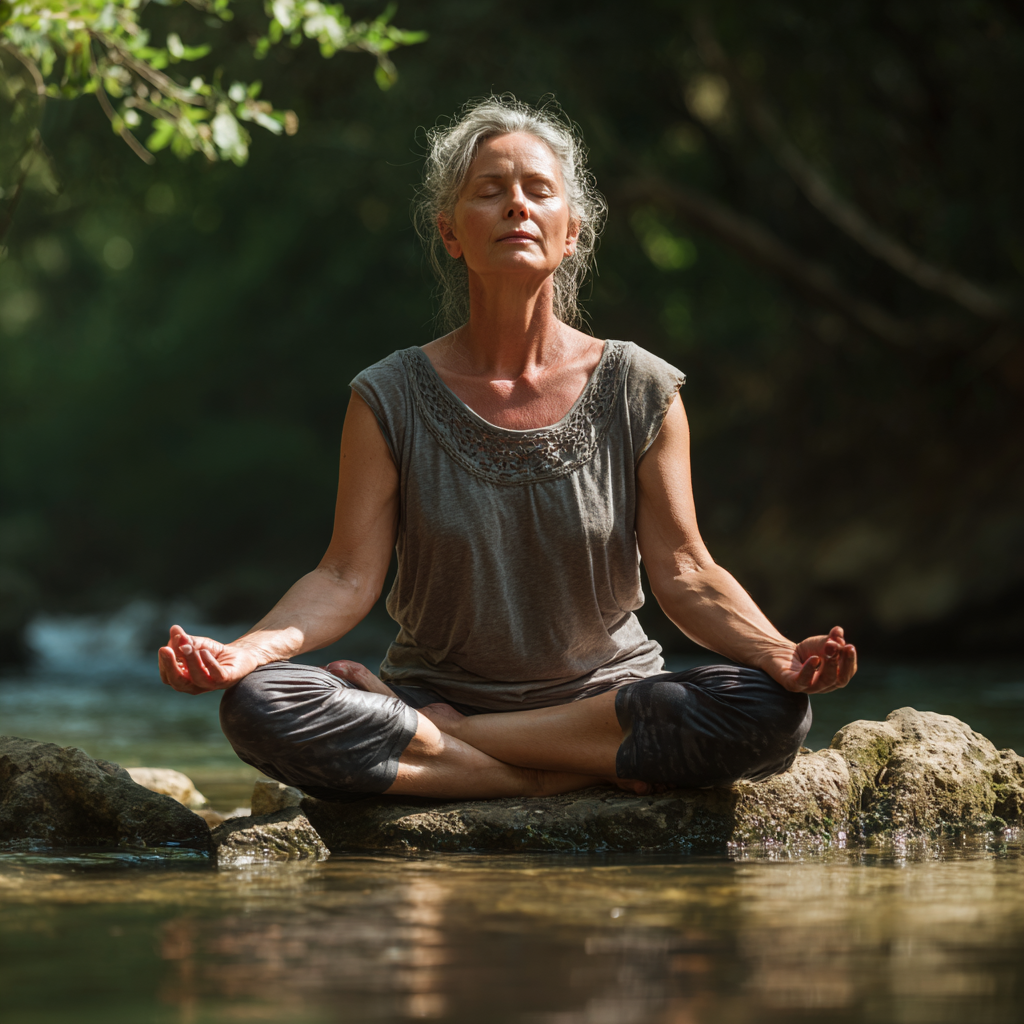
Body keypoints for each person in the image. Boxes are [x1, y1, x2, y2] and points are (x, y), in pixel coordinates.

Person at [158, 95, 856, 801]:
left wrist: (780, 654)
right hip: (447, 692)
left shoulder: (641, 386)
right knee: (260, 705)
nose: (516, 207)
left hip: (601, 702)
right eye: (488, 193)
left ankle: (458, 752)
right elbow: (345, 578)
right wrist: (245, 652)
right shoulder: (388, 395)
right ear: (451, 232)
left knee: (771, 709)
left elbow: (686, 570)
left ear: (572, 231)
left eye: (537, 192)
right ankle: (560, 775)